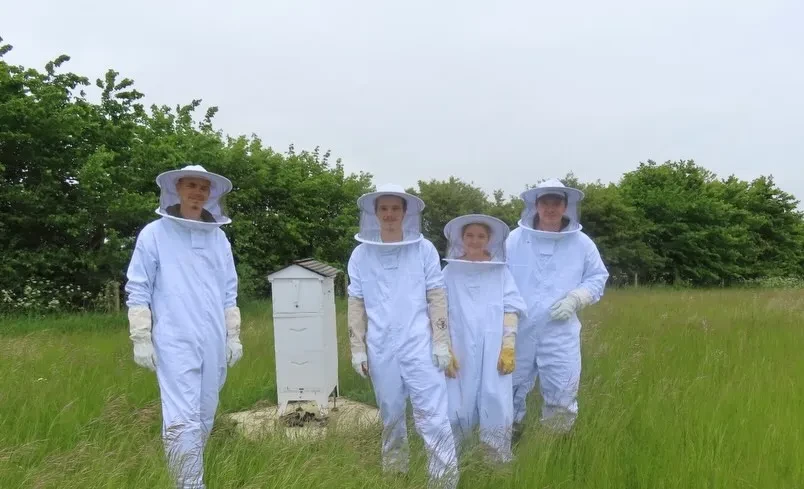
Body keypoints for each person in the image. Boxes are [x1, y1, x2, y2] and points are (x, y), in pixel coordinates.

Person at [125, 164, 242, 489]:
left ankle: (187, 474)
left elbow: (228, 290)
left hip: (213, 339)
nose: (197, 193)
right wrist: (141, 337)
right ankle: (189, 484)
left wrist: (233, 335)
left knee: (204, 413)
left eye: (203, 188)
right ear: (177, 189)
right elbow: (138, 287)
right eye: (191, 186)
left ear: (210, 194)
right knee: (181, 417)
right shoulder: (154, 234)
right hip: (174, 339)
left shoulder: (218, 238)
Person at [347, 184, 459, 488]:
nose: (389, 214)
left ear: (405, 212)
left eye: (395, 208)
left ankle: (444, 480)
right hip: (381, 347)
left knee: (433, 415)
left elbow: (436, 296)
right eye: (384, 209)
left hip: (419, 344)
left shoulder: (423, 249)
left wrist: (441, 342)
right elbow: (356, 302)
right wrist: (357, 348)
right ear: (375, 213)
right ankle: (396, 473)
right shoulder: (360, 254)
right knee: (391, 414)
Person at [505, 178, 609, 438]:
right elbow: (498, 276)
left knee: (563, 387)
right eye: (545, 203)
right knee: (510, 385)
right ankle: (508, 438)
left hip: (560, 330)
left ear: (565, 206)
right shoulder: (514, 239)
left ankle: (555, 443)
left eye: (556, 203)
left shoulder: (582, 243)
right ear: (536, 205)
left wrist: (575, 299)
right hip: (518, 328)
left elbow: (597, 277)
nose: (550, 208)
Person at [442, 214, 526, 463]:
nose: (475, 240)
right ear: (461, 238)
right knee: (457, 402)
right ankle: (456, 457)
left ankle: (496, 458)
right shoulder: (449, 271)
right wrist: (444, 346)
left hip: (494, 346)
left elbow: (511, 308)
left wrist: (508, 345)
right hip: (459, 345)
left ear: (489, 239)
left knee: (496, 398)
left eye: (481, 236)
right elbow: (438, 310)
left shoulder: (501, 271)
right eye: (470, 235)